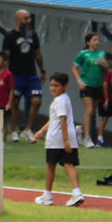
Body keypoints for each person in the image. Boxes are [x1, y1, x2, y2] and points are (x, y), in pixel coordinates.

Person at [30, 72, 84, 206]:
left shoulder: (60, 100)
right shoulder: (65, 99)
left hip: (56, 139)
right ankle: (77, 192)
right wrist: (42, 131)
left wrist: (65, 140)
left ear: (64, 86)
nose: (53, 88)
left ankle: (47, 195)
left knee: (50, 166)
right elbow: (54, 119)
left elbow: (62, 119)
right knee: (69, 164)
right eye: (52, 85)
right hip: (67, 137)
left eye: (56, 86)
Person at [2, 9, 45, 142]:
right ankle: (14, 130)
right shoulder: (10, 36)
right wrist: (6, 74)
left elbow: (38, 53)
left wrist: (42, 70)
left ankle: (27, 129)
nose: (28, 21)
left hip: (31, 74)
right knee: (15, 103)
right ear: (18, 20)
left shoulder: (33, 35)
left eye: (29, 18)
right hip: (16, 75)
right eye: (26, 18)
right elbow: (6, 57)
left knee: (37, 100)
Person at [71, 30, 108, 148]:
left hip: (98, 85)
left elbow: (107, 70)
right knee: (89, 109)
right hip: (86, 85)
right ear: (88, 42)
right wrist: (79, 81)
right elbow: (74, 68)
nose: (97, 42)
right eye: (94, 40)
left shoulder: (102, 54)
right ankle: (87, 138)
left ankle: (80, 128)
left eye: (98, 40)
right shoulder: (83, 54)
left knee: (92, 112)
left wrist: (105, 65)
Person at [94, 50, 112, 147]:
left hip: (103, 98)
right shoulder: (108, 71)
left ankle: (100, 139)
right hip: (108, 98)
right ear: (109, 60)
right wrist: (107, 99)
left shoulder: (101, 71)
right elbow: (105, 84)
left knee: (104, 119)